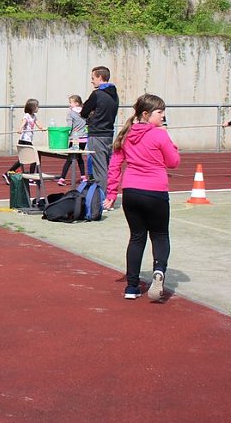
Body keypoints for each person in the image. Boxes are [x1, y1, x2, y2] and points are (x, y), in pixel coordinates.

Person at [103, 94, 180, 301]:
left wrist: (111, 193)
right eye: (159, 112)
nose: (163, 116)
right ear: (146, 114)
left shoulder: (126, 134)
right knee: (160, 235)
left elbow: (115, 165)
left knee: (137, 237)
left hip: (131, 192)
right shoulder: (160, 135)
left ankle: (132, 286)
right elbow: (173, 162)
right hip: (156, 191)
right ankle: (159, 270)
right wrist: (170, 141)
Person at [80, 66, 119, 192]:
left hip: (97, 134)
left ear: (100, 77)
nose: (92, 81)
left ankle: (102, 199)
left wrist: (91, 113)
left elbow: (84, 111)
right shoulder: (114, 95)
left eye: (93, 78)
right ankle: (107, 195)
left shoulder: (97, 94)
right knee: (107, 167)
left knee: (99, 169)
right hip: (109, 134)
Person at [2, 98, 45, 184]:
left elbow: (38, 124)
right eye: (37, 106)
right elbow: (23, 123)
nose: (38, 108)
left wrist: (43, 128)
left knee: (23, 160)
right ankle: (31, 177)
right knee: (33, 159)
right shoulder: (27, 116)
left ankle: (8, 173)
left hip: (28, 140)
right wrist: (20, 129)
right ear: (32, 107)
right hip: (24, 140)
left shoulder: (34, 116)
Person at [57, 95, 88, 186]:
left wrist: (64, 132)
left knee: (70, 159)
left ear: (76, 103)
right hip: (84, 138)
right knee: (79, 157)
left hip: (75, 138)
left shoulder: (70, 113)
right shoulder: (84, 112)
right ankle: (83, 177)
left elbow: (69, 126)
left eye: (71, 102)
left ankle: (62, 178)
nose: (69, 104)